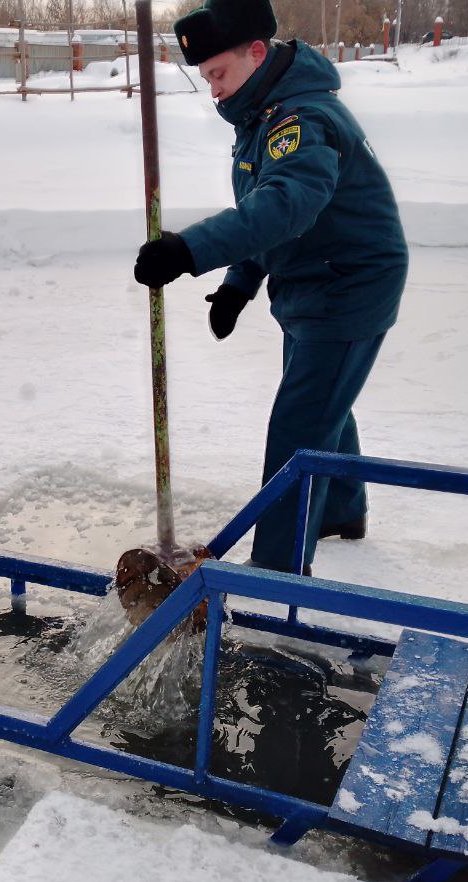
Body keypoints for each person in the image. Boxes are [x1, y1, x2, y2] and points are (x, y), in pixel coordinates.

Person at [134, 0, 408, 575]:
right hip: (313, 281)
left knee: (297, 431)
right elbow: (264, 210)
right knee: (325, 402)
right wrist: (240, 282)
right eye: (206, 78)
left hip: (348, 286)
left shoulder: (299, 121)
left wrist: (189, 250)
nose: (213, 91)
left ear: (256, 53)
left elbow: (285, 207)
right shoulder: (264, 113)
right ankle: (339, 510)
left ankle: (277, 576)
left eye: (218, 74)